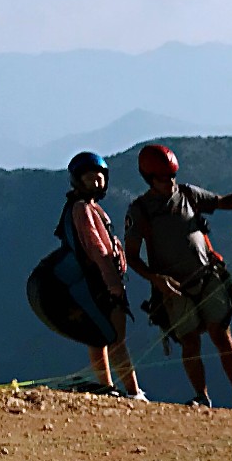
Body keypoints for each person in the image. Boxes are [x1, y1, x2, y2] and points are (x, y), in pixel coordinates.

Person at [124, 143, 232, 411]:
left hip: (207, 275)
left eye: (172, 175)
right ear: (150, 179)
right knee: (190, 342)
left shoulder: (187, 193)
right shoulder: (139, 211)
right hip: (174, 287)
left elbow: (221, 202)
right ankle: (202, 397)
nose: (170, 182)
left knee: (221, 334)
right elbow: (132, 256)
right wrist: (156, 280)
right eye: (164, 178)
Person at [59, 152, 145, 399]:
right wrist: (113, 284)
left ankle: (107, 386)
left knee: (98, 339)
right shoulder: (83, 209)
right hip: (103, 285)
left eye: (99, 179)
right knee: (116, 339)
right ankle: (132, 391)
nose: (96, 183)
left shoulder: (85, 207)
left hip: (92, 284)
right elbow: (97, 248)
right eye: (90, 179)